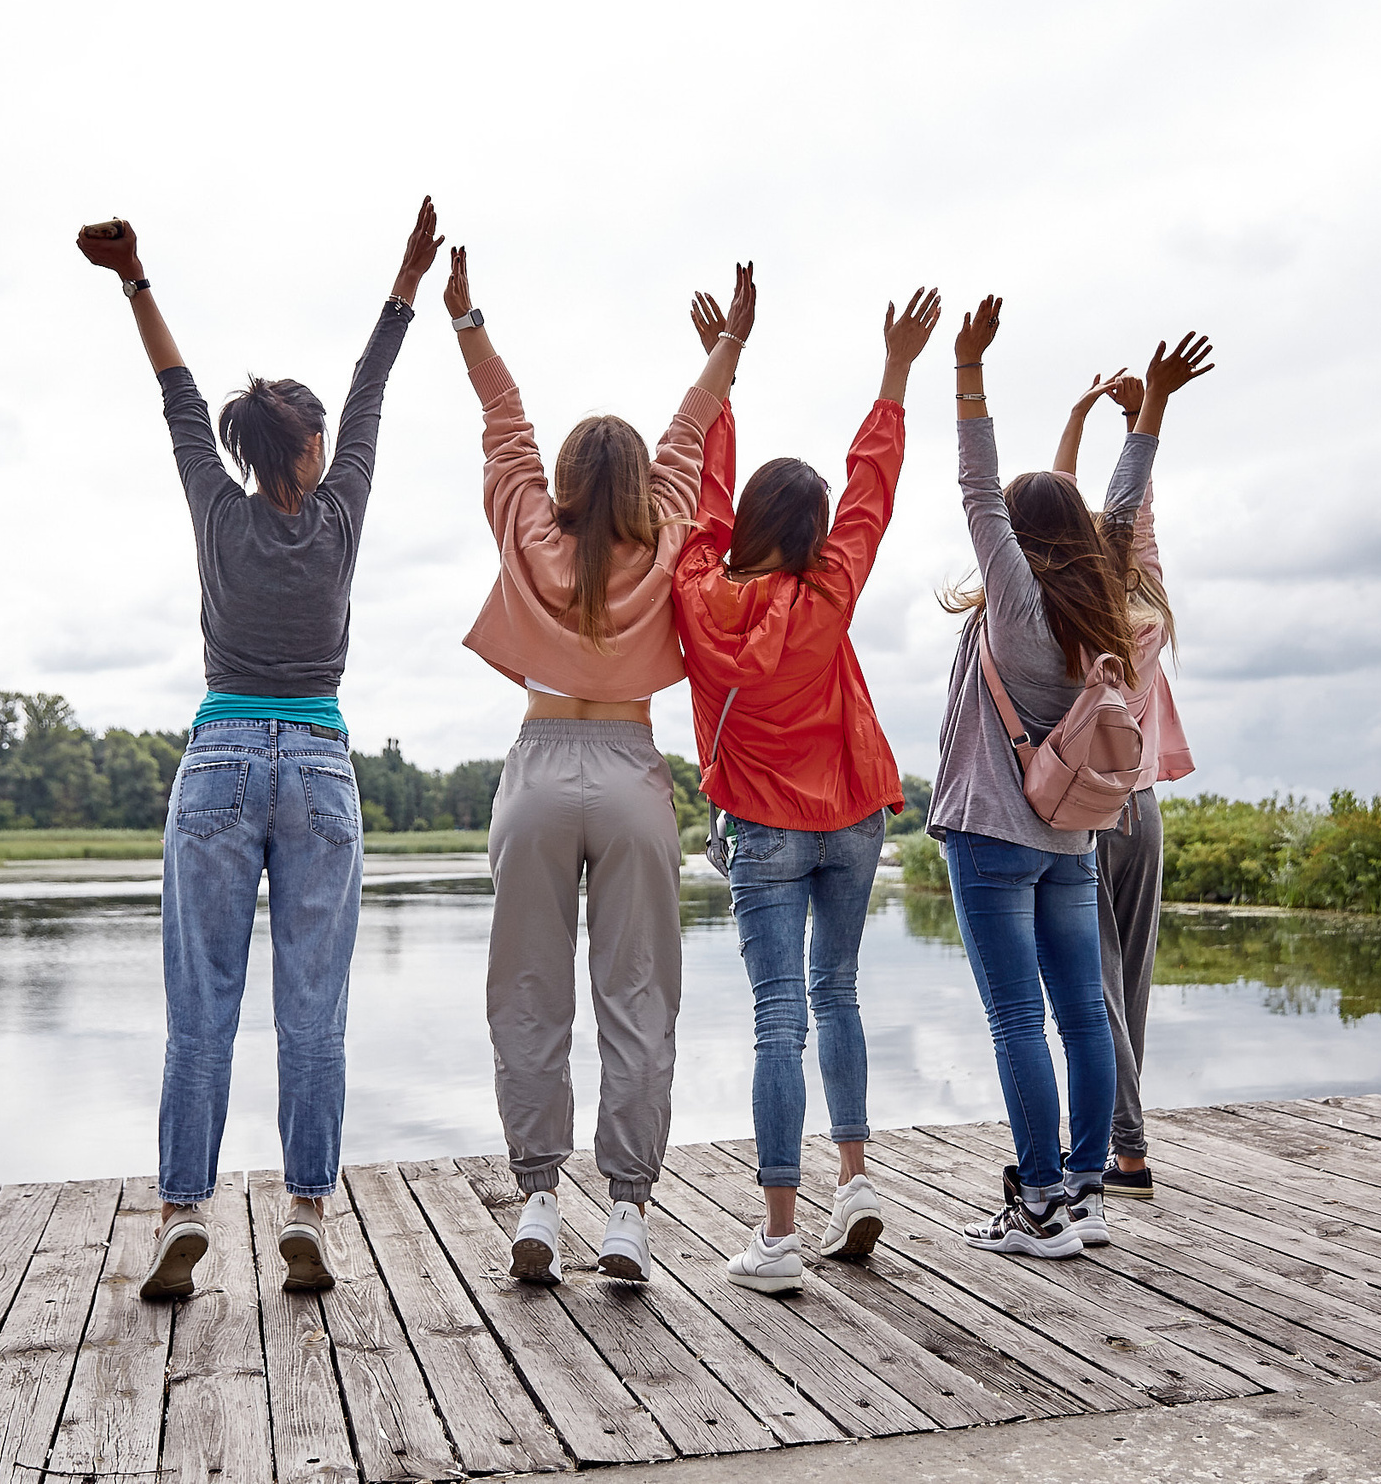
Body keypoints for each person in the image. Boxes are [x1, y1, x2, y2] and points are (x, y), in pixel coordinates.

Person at [75, 198, 444, 1302]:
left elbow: (175, 396)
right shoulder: (340, 512)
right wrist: (405, 281)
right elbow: (374, 387)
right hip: (321, 762)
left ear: (242, 449)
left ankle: (183, 1212)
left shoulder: (216, 509)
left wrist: (135, 277)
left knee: (202, 1005)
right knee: (313, 1007)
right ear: (317, 446)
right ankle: (305, 1212)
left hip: (222, 753)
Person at [450, 244, 749, 1284]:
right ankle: (626, 1215)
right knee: (637, 997)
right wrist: (725, 351)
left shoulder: (528, 521)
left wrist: (466, 320)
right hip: (629, 770)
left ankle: (537, 1200)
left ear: (566, 482)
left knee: (528, 995)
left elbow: (506, 422)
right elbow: (685, 437)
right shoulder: (667, 527)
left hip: (539, 769)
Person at [674, 286, 943, 1295]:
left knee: (777, 1014)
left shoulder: (699, 590)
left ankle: (779, 1240)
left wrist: (721, 374)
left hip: (762, 826)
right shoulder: (831, 588)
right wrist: (897, 370)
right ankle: (856, 1179)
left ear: (748, 524)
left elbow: (703, 495)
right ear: (816, 532)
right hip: (852, 823)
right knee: (838, 995)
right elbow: (873, 486)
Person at [927, 298, 1194, 1256]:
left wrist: (968, 370)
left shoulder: (1017, 608)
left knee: (1016, 1020)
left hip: (994, 835)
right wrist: (1148, 416)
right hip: (1072, 839)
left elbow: (977, 488)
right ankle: (1084, 1194)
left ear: (1017, 543)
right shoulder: (1105, 610)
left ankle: (1037, 1201)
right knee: (1083, 1011)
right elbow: (1117, 514)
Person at [1051, 346, 1213, 1209]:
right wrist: (1140, 416)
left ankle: (1129, 1148)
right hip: (1143, 807)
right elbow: (1127, 513)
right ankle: (1126, 1144)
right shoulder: (1144, 597)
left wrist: (1086, 420)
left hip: (1087, 812)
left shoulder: (1074, 604)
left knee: (1096, 986)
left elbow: (1061, 513)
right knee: (1131, 982)